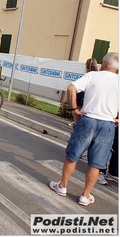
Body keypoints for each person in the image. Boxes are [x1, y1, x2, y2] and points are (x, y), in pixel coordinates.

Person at [49, 52, 119, 206]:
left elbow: (71, 88)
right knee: (96, 163)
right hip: (107, 124)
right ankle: (85, 196)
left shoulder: (93, 75)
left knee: (73, 155)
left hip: (88, 120)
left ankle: (62, 186)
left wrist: (74, 109)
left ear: (105, 64)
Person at [68, 58, 98, 127]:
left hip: (84, 93)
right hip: (90, 94)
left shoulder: (88, 75)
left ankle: (76, 122)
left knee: (77, 108)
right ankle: (77, 121)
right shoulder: (96, 75)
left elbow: (72, 88)